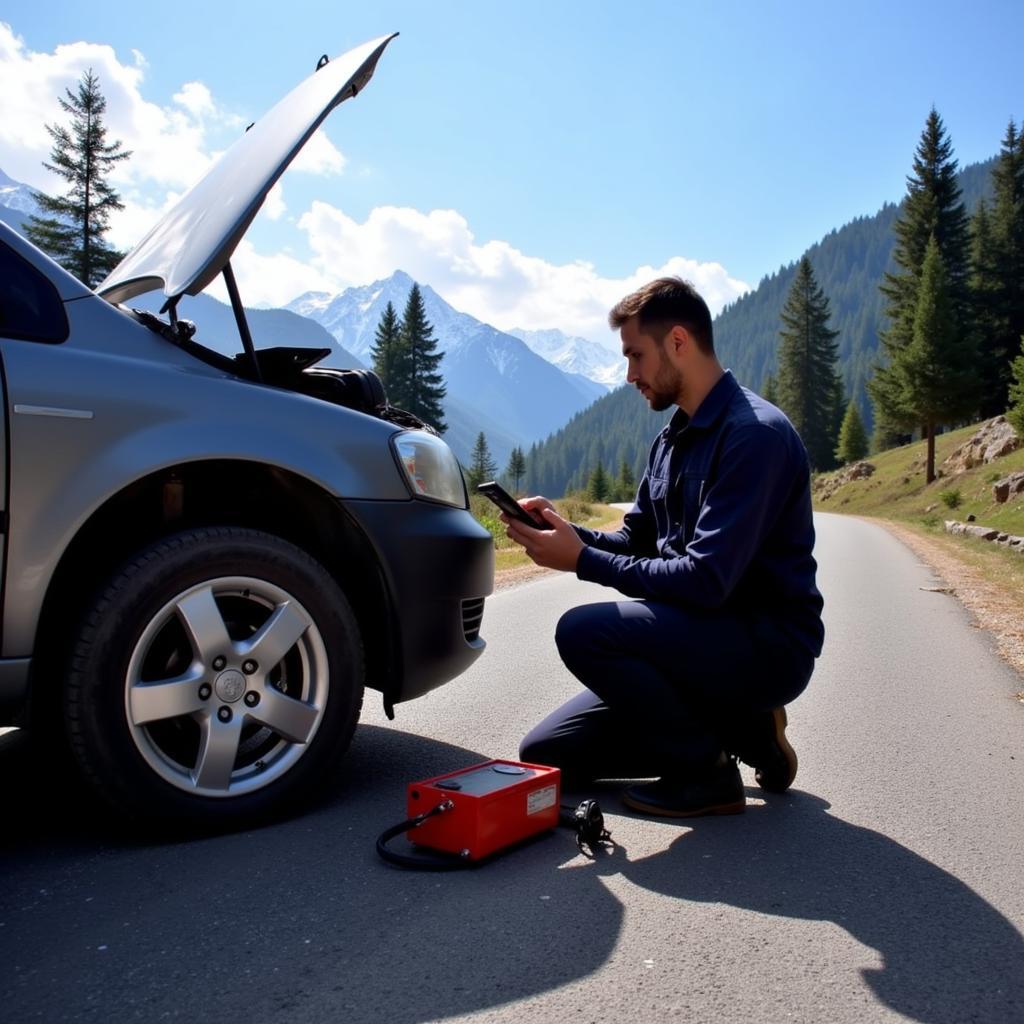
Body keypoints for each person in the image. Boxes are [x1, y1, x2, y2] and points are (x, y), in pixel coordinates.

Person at [501, 277, 824, 818]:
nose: (629, 375)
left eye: (635, 356)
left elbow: (705, 579)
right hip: (688, 640)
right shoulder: (670, 439)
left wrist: (579, 561)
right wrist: (568, 533)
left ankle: (706, 774)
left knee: (583, 631)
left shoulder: (755, 435)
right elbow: (636, 541)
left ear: (678, 342)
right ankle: (736, 725)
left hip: (764, 647)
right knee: (548, 754)